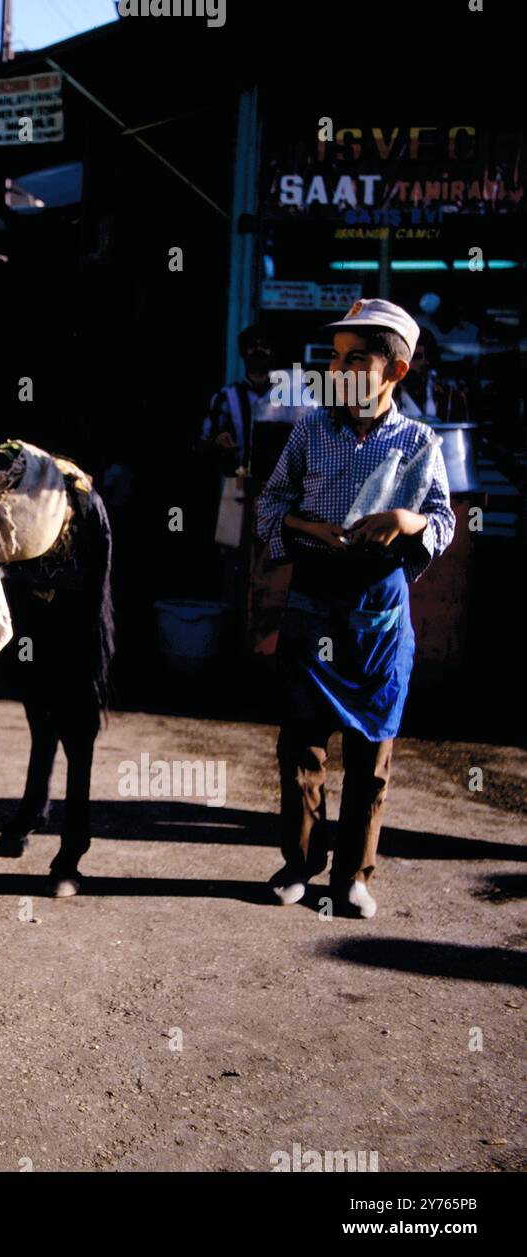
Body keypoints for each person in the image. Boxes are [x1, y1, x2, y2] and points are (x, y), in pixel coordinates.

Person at [255, 298, 455, 920]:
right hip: (314, 601)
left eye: (356, 360)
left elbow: (445, 521)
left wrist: (407, 519)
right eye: (335, 358)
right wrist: (309, 529)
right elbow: (268, 507)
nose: (339, 370)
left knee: (372, 754)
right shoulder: (312, 428)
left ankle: (354, 876)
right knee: (302, 746)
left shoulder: (420, 441)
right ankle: (300, 864)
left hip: (380, 615)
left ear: (396, 372)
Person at [199, 324, 275, 475]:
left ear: (272, 352)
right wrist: (218, 441)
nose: (258, 350)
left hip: (280, 488)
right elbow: (204, 440)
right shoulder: (225, 396)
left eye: (264, 346)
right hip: (236, 484)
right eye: (252, 346)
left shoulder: (289, 397)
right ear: (242, 352)